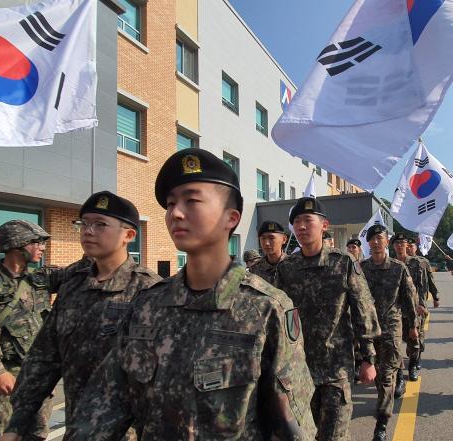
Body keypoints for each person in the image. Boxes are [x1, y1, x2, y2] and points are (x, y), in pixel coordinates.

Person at [66, 148, 316, 440]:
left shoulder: (266, 309)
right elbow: (104, 405)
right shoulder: (148, 305)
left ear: (231, 218)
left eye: (191, 200)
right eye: (170, 204)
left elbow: (292, 428)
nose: (176, 213)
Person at [0, 192, 159, 441]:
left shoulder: (149, 290)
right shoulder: (73, 286)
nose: (88, 231)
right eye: (83, 224)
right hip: (78, 429)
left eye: (100, 224)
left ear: (128, 235)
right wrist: (16, 423)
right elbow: (43, 359)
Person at [275, 196, 379, 441]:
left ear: (324, 225)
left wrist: (368, 357)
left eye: (307, 220)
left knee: (334, 437)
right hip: (298, 372)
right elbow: (277, 316)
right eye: (296, 222)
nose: (300, 227)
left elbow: (363, 309)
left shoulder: (342, 263)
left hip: (336, 370)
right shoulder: (287, 268)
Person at [0, 220, 77, 441]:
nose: (42, 247)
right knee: (0, 435)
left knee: (37, 434)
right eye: (37, 242)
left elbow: (80, 269)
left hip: (38, 375)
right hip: (7, 376)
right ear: (17, 244)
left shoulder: (39, 278)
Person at [361, 225, 418, 441]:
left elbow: (409, 299)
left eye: (380, 238)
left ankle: (382, 424)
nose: (376, 242)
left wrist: (412, 326)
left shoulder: (398, 268)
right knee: (376, 371)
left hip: (392, 326)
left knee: (386, 375)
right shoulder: (361, 268)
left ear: (387, 241)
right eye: (372, 239)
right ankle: (385, 397)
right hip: (369, 328)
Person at [390, 232, 425, 383]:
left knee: (414, 344)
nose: (400, 245)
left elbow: (422, 286)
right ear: (393, 246)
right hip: (396, 309)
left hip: (414, 308)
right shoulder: (390, 263)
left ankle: (412, 367)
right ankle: (399, 377)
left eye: (402, 243)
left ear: (407, 245)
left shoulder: (417, 263)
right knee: (395, 345)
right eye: (397, 243)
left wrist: (421, 305)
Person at [407, 238, 440, 307]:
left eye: (411, 246)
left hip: (420, 297)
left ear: (416, 248)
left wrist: (435, 297)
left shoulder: (423, 261)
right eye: (407, 246)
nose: (408, 248)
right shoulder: (398, 262)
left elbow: (430, 280)